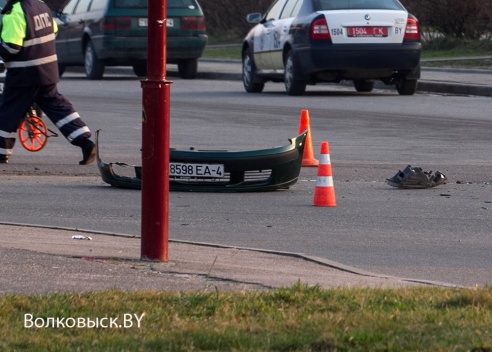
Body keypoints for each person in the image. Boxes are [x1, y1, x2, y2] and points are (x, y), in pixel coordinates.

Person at [0, 0, 96, 165]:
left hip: (24, 74)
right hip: (47, 70)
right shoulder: (41, 5)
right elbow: (54, 30)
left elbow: (11, 47)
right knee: (58, 107)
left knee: (9, 111)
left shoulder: (14, 11)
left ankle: (1, 153)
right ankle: (85, 141)